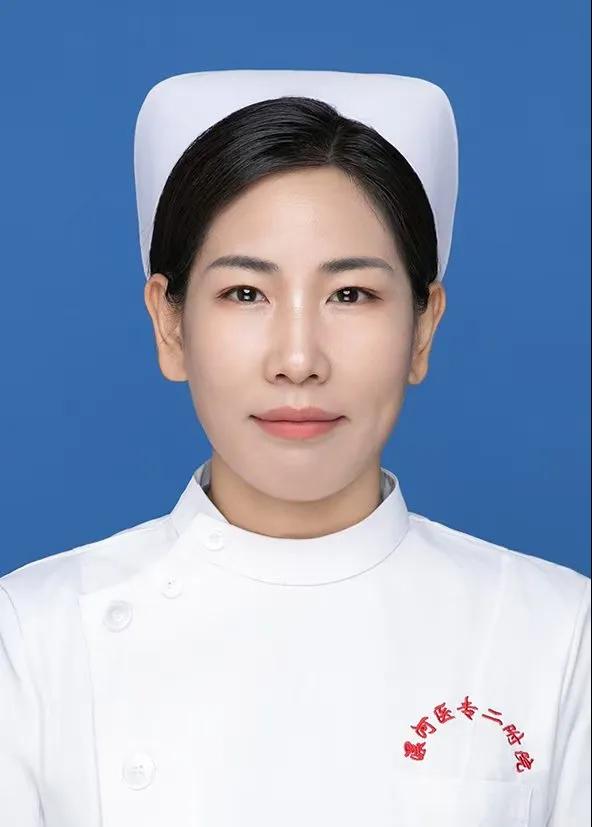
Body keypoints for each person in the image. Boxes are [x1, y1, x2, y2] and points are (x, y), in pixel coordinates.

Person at [0, 70, 589, 827]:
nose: (299, 359)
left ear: (423, 328)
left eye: (352, 294)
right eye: (245, 294)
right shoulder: (31, 639)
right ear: (169, 325)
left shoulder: (560, 635)